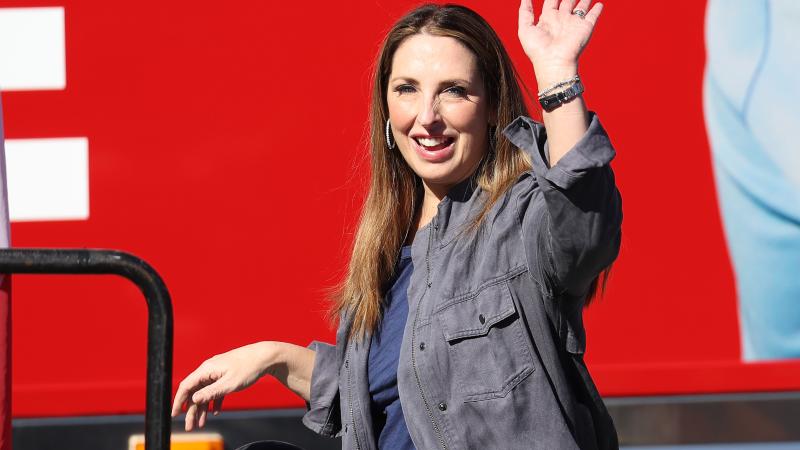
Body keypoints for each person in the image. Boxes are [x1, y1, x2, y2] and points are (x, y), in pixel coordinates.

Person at [172, 1, 622, 449]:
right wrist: (274, 356)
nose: (427, 116)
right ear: (386, 109)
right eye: (407, 89)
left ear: (490, 107)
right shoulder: (389, 247)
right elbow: (394, 395)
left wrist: (558, 77)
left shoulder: (520, 218)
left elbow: (582, 225)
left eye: (454, 91)